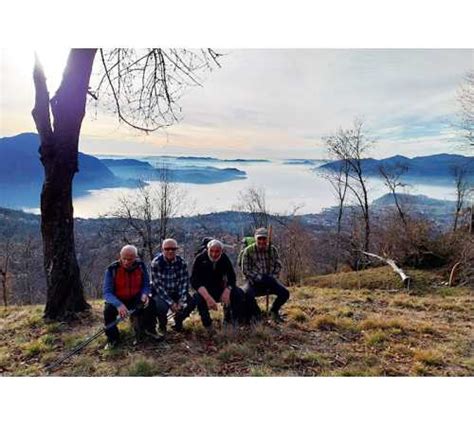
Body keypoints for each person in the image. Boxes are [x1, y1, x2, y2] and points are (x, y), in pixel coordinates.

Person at [103, 245, 158, 348]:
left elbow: (146, 284)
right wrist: (118, 304)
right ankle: (112, 339)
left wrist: (144, 294)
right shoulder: (112, 269)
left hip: (135, 297)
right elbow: (107, 293)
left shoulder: (141, 266)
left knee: (151, 303)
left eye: (130, 259)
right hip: (118, 299)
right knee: (108, 311)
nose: (127, 262)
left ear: (135, 257)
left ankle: (149, 330)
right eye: (124, 258)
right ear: (120, 256)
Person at [191, 239, 245, 331]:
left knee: (238, 293)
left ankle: (231, 321)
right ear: (207, 249)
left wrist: (228, 290)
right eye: (211, 251)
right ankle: (208, 325)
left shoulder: (224, 258)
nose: (214, 254)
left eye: (217, 251)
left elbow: (232, 277)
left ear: (221, 251)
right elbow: (194, 280)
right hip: (204, 290)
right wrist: (207, 297)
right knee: (197, 298)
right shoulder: (200, 259)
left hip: (220, 288)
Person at [241, 227, 290, 323]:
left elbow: (278, 265)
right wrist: (259, 277)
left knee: (285, 293)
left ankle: (274, 311)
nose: (262, 241)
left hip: (270, 280)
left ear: (267, 239)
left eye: (264, 238)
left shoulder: (272, 250)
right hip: (254, 282)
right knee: (247, 294)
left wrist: (272, 277)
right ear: (256, 239)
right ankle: (257, 314)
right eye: (259, 238)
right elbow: (245, 269)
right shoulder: (248, 251)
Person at [150, 238, 196, 336]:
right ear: (162, 249)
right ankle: (162, 326)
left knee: (191, 302)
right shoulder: (156, 263)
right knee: (160, 306)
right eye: (167, 249)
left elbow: (184, 283)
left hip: (177, 292)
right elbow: (158, 286)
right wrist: (171, 303)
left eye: (173, 249)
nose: (170, 251)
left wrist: (181, 300)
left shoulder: (181, 262)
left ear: (176, 249)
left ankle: (178, 321)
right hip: (162, 293)